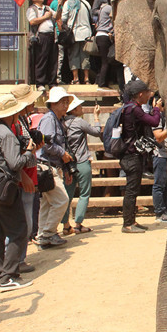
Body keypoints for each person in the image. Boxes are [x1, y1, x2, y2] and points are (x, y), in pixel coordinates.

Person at [0, 94, 39, 292]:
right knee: (18, 230)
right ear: (13, 114)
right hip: (6, 186)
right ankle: (9, 275)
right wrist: (29, 153)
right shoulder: (7, 135)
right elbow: (15, 163)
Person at [120, 79, 162, 233]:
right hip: (132, 156)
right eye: (147, 92)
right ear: (140, 94)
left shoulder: (129, 107)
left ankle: (131, 220)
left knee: (133, 189)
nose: (150, 95)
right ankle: (127, 224)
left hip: (129, 154)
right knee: (131, 190)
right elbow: (154, 121)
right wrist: (156, 109)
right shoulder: (135, 109)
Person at [10, 84, 43, 274]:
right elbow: (15, 153)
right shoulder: (15, 123)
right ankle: (14, 261)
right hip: (23, 176)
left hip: (29, 173)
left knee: (27, 221)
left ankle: (19, 259)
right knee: (22, 222)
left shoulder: (22, 120)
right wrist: (23, 175)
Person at [36, 87, 73, 246]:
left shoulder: (57, 120)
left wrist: (65, 167)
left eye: (66, 102)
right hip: (46, 165)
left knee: (47, 202)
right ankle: (48, 233)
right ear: (53, 104)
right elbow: (46, 144)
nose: (65, 105)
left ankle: (42, 234)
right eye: (62, 102)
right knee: (61, 200)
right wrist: (62, 153)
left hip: (51, 165)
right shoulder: (49, 120)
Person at [61, 96, 102, 234]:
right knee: (84, 194)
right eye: (79, 107)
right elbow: (96, 132)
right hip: (82, 161)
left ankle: (65, 224)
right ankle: (78, 223)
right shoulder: (79, 122)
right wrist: (96, 117)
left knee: (68, 194)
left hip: (68, 163)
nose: (82, 108)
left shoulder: (61, 123)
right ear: (74, 109)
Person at [61, 0, 94, 85]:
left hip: (74, 34)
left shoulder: (68, 4)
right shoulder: (86, 3)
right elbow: (91, 17)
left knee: (74, 55)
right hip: (86, 34)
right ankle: (86, 79)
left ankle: (76, 79)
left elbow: (63, 19)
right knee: (85, 56)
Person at [26, 0, 57, 89]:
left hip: (51, 35)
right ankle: (40, 83)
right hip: (41, 36)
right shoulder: (32, 9)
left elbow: (56, 16)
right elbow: (32, 21)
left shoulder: (47, 8)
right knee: (41, 60)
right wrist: (45, 17)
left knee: (52, 60)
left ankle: (52, 82)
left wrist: (60, 6)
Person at [152, 96, 167, 222]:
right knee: (159, 185)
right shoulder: (157, 117)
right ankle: (159, 212)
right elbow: (158, 137)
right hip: (161, 155)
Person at [95, 0, 115, 88]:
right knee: (106, 61)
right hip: (105, 36)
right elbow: (114, 19)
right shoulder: (109, 8)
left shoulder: (101, 8)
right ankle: (102, 84)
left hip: (99, 35)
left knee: (104, 61)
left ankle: (102, 82)